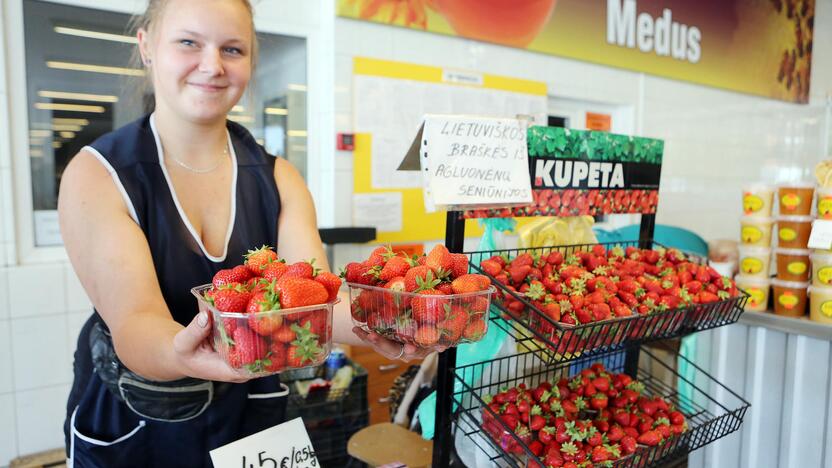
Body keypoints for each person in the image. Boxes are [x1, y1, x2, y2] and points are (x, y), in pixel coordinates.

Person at [58, 1, 432, 466]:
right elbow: (135, 323)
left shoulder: (279, 178)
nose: (212, 65)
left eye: (232, 49)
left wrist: (378, 322)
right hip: (141, 420)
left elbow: (315, 300)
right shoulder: (99, 175)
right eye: (189, 42)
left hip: (253, 417)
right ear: (148, 45)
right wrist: (183, 352)